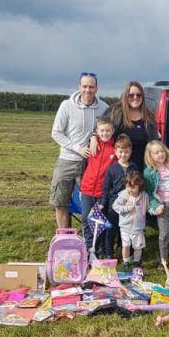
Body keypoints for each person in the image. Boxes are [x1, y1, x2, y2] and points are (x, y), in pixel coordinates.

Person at [50, 72, 109, 229]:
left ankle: (90, 241)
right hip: (67, 160)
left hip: (90, 164)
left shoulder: (104, 108)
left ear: (96, 88)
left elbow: (106, 130)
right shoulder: (67, 106)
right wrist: (77, 148)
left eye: (91, 86)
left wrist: (95, 135)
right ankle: (64, 238)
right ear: (79, 87)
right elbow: (56, 133)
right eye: (84, 86)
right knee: (60, 202)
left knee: (89, 203)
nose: (88, 90)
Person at [94, 81, 158, 172]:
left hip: (139, 168)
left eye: (138, 95)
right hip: (116, 167)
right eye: (131, 95)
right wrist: (93, 136)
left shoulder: (149, 117)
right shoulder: (115, 111)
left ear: (142, 97)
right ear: (126, 96)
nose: (135, 97)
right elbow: (100, 125)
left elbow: (154, 143)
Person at [79, 117, 117, 254]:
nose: (105, 133)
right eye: (102, 131)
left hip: (102, 193)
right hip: (87, 190)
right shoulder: (92, 145)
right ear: (97, 131)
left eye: (108, 131)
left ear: (112, 131)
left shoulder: (114, 150)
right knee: (86, 218)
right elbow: (84, 165)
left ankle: (99, 246)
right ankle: (89, 247)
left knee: (100, 221)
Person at [99, 135, 138, 258]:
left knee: (127, 230)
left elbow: (138, 184)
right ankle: (109, 253)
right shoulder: (112, 169)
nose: (123, 155)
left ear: (130, 152)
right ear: (116, 152)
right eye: (121, 152)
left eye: (126, 152)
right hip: (114, 205)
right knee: (112, 229)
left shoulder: (134, 167)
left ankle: (127, 253)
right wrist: (103, 203)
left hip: (129, 204)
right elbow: (106, 188)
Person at [111, 170, 150, 272]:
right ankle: (126, 262)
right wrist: (126, 208)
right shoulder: (124, 194)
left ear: (139, 186)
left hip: (138, 227)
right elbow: (115, 206)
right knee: (126, 245)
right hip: (125, 226)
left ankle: (137, 262)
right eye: (128, 186)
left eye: (133, 187)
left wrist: (156, 210)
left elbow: (149, 208)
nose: (130, 189)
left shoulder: (144, 196)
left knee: (138, 247)